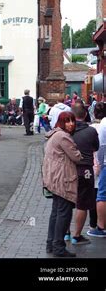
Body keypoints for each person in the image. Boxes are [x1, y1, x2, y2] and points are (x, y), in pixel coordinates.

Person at [43, 111, 82, 257]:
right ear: (61, 122)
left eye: (72, 120)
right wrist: (79, 152)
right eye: (67, 121)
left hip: (55, 179)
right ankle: (58, 247)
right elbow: (76, 156)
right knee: (63, 214)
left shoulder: (55, 134)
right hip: (62, 180)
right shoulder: (63, 136)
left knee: (56, 213)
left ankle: (51, 244)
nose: (71, 124)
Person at [67, 104, 99, 245]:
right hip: (85, 169)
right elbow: (95, 147)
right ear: (85, 114)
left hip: (68, 169)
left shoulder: (66, 132)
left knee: (67, 202)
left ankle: (66, 233)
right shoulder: (91, 131)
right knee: (82, 203)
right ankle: (76, 235)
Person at [88, 102, 106, 238]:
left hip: (101, 164)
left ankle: (98, 226)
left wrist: (99, 163)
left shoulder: (101, 125)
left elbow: (100, 147)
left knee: (100, 195)